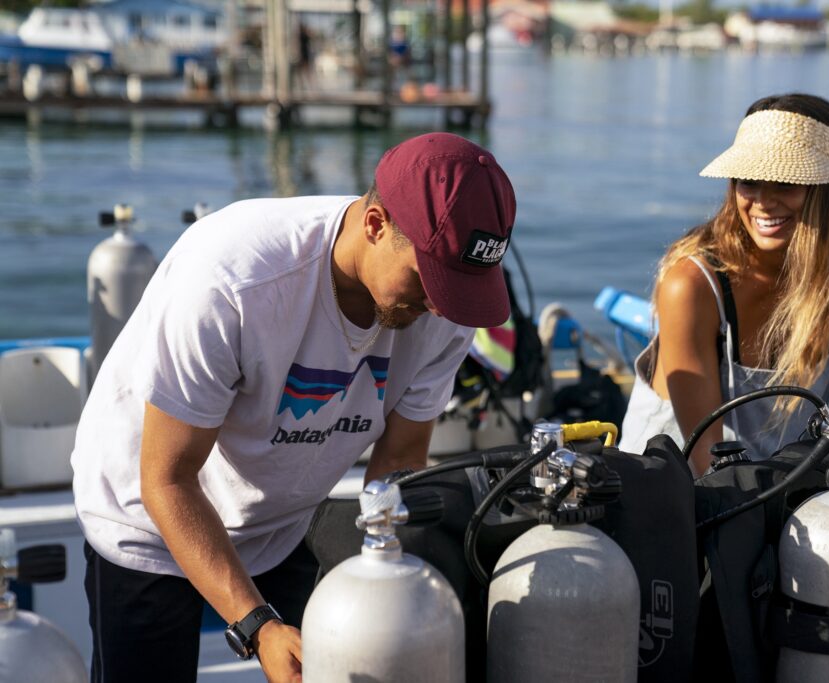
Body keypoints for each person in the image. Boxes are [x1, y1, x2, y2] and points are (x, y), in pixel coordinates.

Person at [71, 132, 517, 683]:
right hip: (148, 519)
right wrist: (257, 625)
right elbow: (167, 480)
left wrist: (382, 593)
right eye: (431, 281)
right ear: (375, 224)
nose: (440, 307)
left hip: (283, 522)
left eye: (459, 289)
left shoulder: (445, 310)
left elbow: (399, 462)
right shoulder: (234, 283)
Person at [619, 94, 829, 476]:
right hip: (672, 479)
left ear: (826, 189)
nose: (764, 201)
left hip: (786, 481)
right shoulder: (692, 284)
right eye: (749, 181)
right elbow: (707, 464)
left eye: (784, 182)